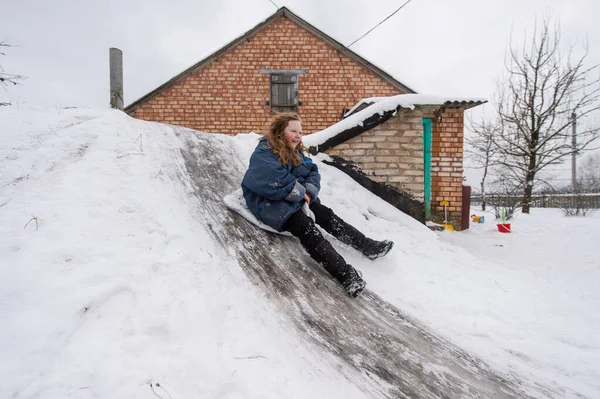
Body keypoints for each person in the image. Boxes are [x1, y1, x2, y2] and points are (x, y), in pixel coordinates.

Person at [241, 114, 394, 297]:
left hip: (292, 198)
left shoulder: (295, 153)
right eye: (293, 131)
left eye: (300, 132)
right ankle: (347, 276)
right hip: (269, 202)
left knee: (325, 214)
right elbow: (272, 178)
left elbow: (312, 171)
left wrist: (307, 191)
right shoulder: (265, 150)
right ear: (280, 131)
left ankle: (367, 246)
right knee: (306, 229)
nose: (297, 136)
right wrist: (299, 192)